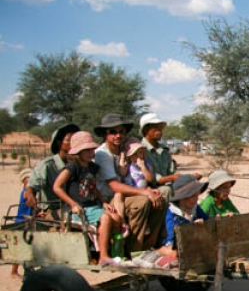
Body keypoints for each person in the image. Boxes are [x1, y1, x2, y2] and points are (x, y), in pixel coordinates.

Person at [93, 114, 167, 255]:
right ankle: (134, 250)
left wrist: (149, 189)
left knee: (160, 199)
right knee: (143, 201)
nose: (118, 135)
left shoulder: (123, 151)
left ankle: (149, 246)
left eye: (121, 131)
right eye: (113, 132)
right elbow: (115, 186)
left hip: (125, 194)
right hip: (110, 198)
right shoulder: (102, 154)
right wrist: (145, 192)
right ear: (105, 134)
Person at [52, 131, 123, 266]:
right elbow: (57, 187)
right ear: (78, 152)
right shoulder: (73, 167)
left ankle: (113, 250)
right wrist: (72, 204)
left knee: (117, 218)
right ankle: (103, 256)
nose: (91, 153)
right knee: (107, 218)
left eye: (92, 149)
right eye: (87, 150)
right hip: (80, 209)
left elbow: (93, 187)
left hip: (93, 206)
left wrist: (103, 202)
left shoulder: (92, 167)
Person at [24, 123, 80, 220]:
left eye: (75, 140)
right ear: (59, 143)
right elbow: (32, 186)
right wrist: (30, 193)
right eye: (69, 140)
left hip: (77, 208)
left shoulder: (80, 164)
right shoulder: (47, 165)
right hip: (54, 211)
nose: (73, 143)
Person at [139, 112, 201, 198]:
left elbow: (172, 171)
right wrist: (171, 178)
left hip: (167, 186)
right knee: (167, 190)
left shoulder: (164, 150)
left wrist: (188, 177)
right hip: (150, 189)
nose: (160, 131)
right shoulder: (140, 150)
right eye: (156, 128)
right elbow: (152, 179)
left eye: (160, 128)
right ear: (146, 129)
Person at [156, 174, 209, 261]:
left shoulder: (195, 208)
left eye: (197, 195)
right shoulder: (171, 212)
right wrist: (192, 227)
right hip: (172, 245)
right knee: (175, 253)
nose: (196, 199)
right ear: (182, 198)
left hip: (191, 243)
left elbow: (207, 219)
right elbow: (172, 238)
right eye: (192, 196)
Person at [10, 168, 33, 277]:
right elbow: (32, 204)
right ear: (24, 180)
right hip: (22, 221)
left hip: (26, 220)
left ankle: (26, 270)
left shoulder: (27, 191)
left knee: (27, 245)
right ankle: (14, 271)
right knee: (22, 246)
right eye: (27, 179)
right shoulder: (26, 192)